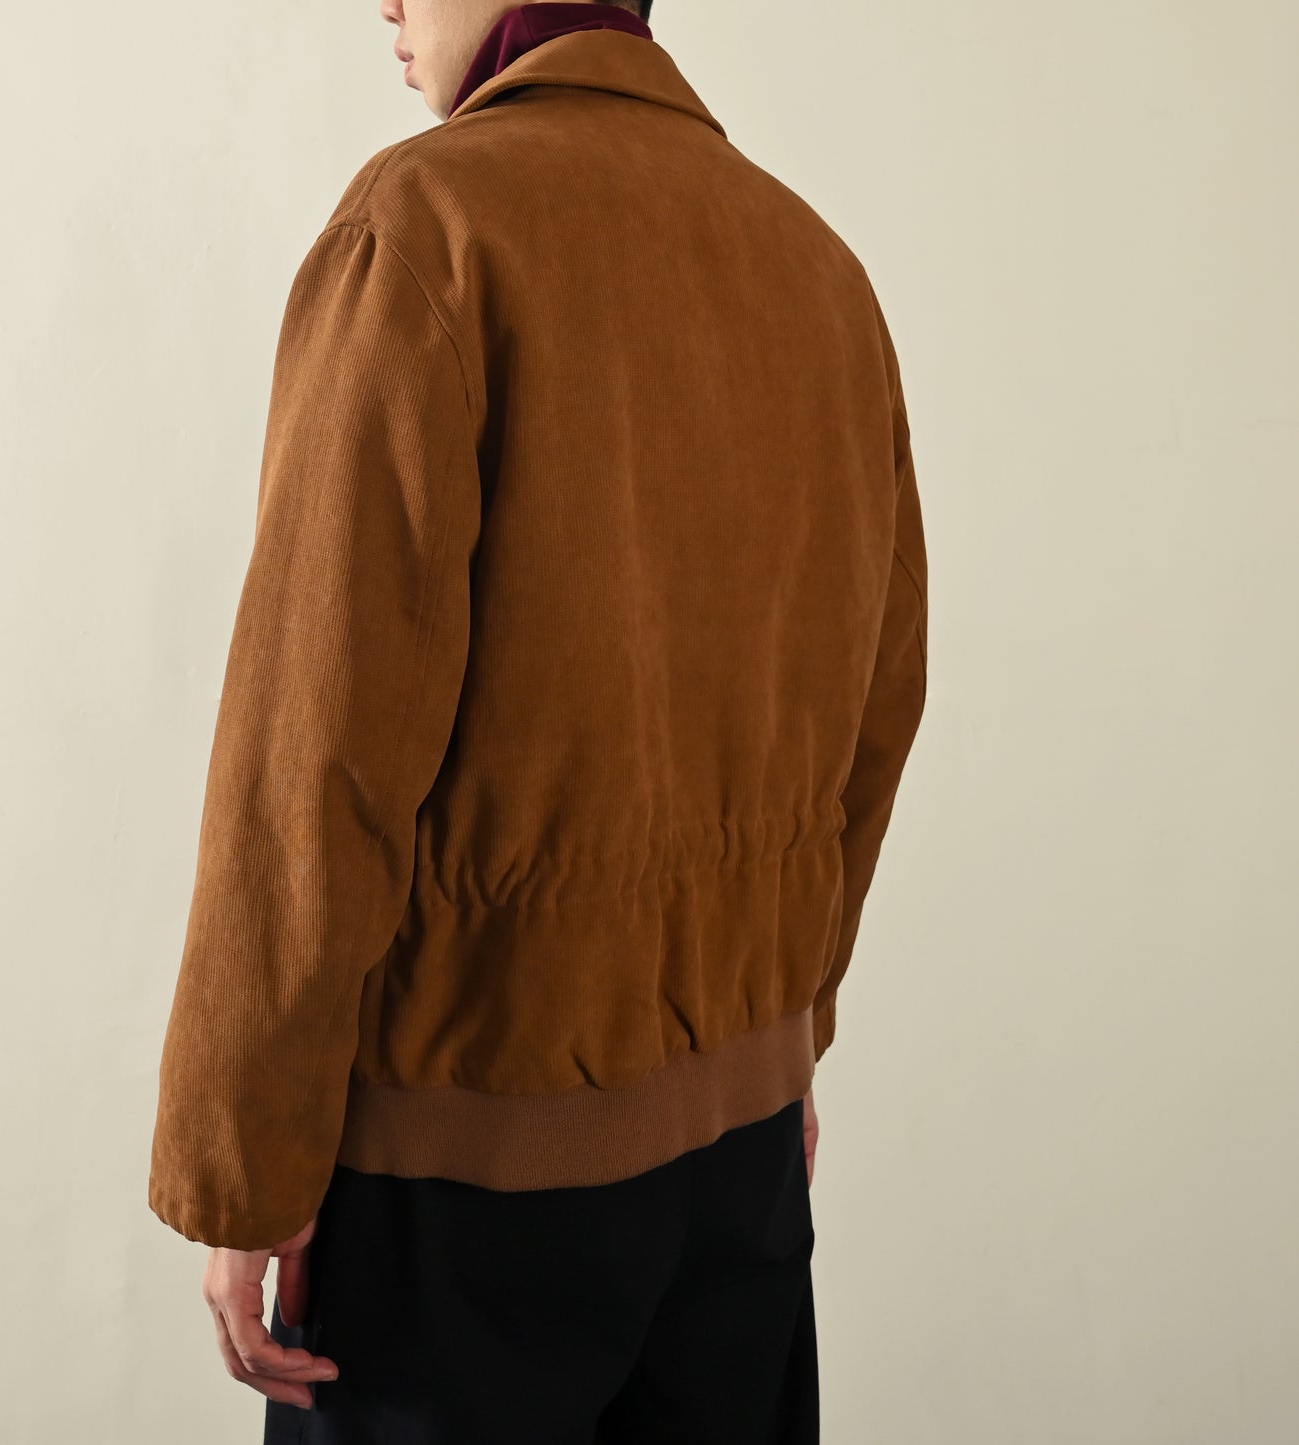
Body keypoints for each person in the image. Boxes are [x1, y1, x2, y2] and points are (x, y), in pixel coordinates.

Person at [147, 1, 929, 1440]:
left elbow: (313, 748)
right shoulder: (815, 268)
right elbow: (875, 709)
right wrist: (782, 1030)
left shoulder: (430, 228)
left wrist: (245, 1160)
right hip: (742, 1164)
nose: (387, 4)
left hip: (461, 1186)